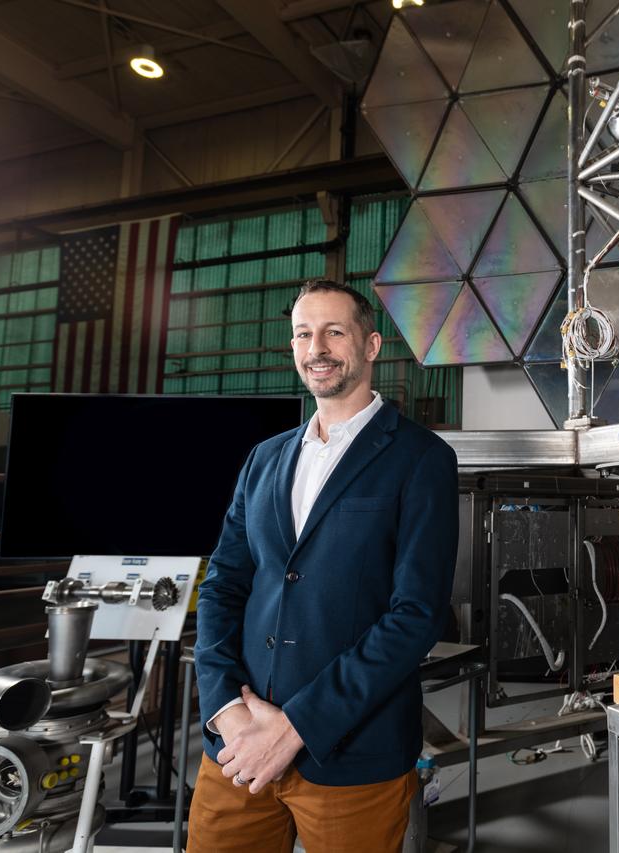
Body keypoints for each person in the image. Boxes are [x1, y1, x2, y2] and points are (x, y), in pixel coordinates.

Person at [189, 279, 458, 852]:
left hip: (352, 756)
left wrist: (296, 727)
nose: (318, 347)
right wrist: (224, 709)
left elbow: (417, 615)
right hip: (236, 749)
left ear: (371, 346)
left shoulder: (421, 458)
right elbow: (222, 588)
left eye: (335, 332)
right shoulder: (264, 459)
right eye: (304, 334)